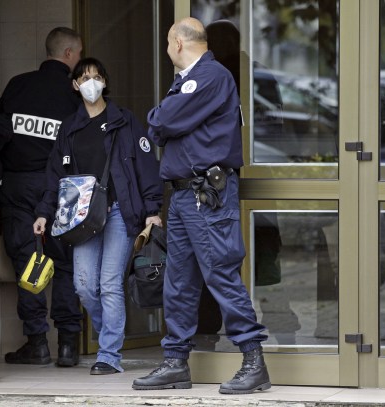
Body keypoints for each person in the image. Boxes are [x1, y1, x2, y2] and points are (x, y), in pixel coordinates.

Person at [132, 17, 271, 395]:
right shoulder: (190, 80)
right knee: (179, 282)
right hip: (182, 194)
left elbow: (162, 121)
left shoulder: (209, 76)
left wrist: (165, 119)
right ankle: (175, 363)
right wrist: (165, 121)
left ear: (177, 43)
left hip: (204, 194)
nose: (166, 51)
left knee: (221, 273)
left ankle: (254, 361)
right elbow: (163, 126)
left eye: (166, 44)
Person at [33, 57, 163, 375]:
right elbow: (56, 177)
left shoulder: (124, 121)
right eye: (84, 77)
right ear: (75, 85)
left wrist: (152, 211)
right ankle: (111, 332)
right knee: (85, 286)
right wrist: (44, 213)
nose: (91, 82)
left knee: (109, 283)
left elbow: (145, 168)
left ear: (104, 81)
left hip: (121, 211)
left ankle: (109, 355)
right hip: (82, 217)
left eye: (96, 76)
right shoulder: (70, 127)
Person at [0, 27, 84, 367]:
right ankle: (67, 345)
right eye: (78, 55)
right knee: (63, 264)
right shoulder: (73, 95)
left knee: (28, 264)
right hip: (61, 189)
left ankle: (36, 342)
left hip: (19, 187)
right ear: (68, 55)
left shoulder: (17, 86)